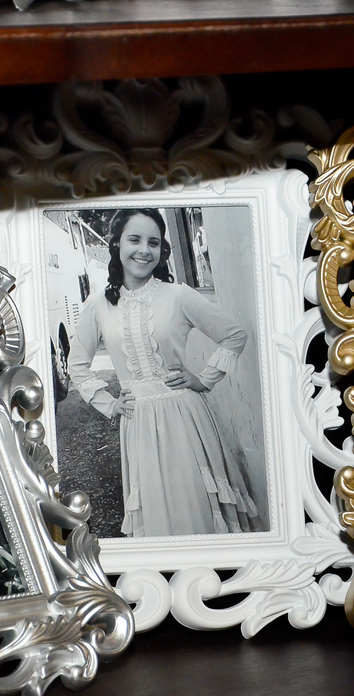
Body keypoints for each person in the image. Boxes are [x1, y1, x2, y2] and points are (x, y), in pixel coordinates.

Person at [68, 208, 258, 537]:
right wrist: (109, 404)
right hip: (138, 420)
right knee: (158, 511)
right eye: (135, 240)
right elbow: (77, 364)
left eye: (153, 242)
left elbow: (234, 335)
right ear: (116, 244)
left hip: (185, 417)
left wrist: (203, 379)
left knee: (196, 501)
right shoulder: (98, 305)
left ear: (162, 249)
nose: (144, 250)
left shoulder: (178, 295)